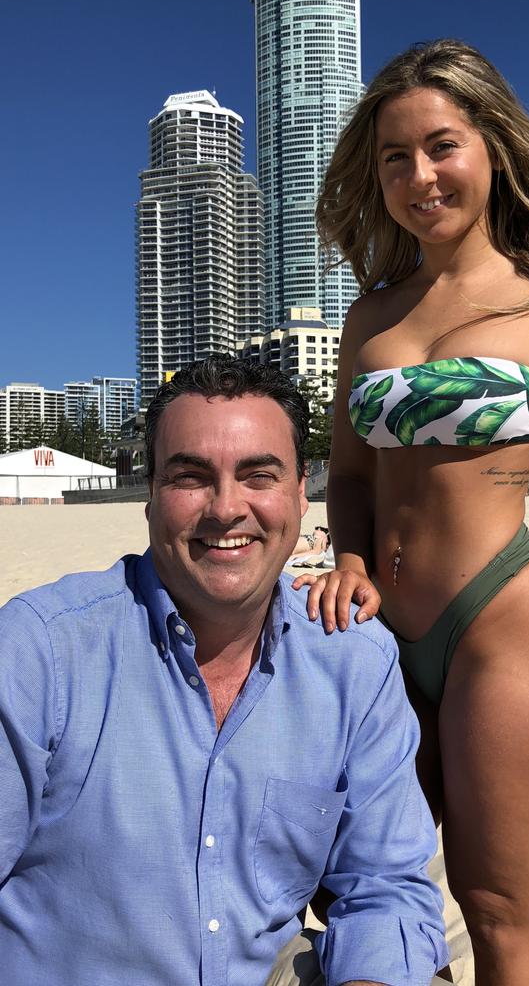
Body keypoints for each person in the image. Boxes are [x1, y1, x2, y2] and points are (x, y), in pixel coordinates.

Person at [294, 40, 529, 986]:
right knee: (370, 892)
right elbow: (356, 476)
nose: (421, 176)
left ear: (493, 146)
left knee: (498, 909)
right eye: (395, 158)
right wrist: (353, 558)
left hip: (509, 626)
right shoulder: (369, 318)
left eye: (442, 146)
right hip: (375, 636)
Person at [0, 356, 450, 986]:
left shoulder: (352, 661)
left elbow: (384, 885)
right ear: (152, 497)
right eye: (190, 477)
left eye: (258, 475)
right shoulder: (41, 649)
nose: (226, 508)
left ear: (300, 495)